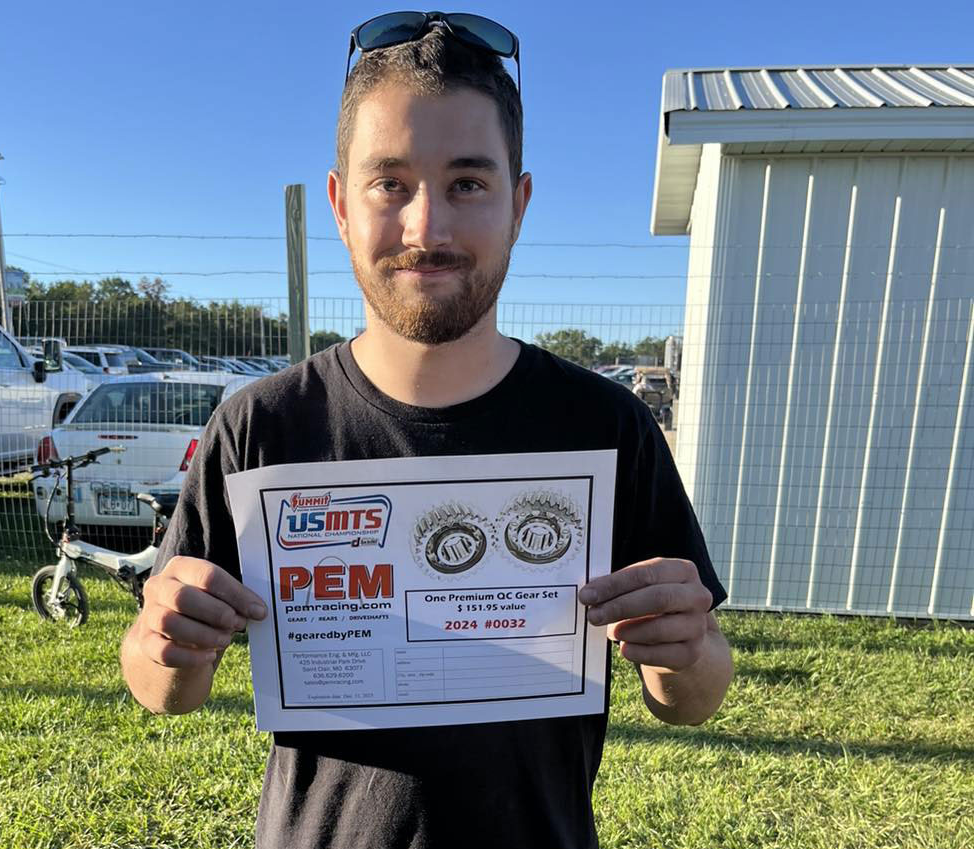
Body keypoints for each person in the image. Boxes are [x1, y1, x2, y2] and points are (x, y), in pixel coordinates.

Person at [121, 12, 733, 848]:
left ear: (518, 205)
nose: (428, 228)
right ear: (340, 204)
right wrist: (162, 639)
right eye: (391, 182)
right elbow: (165, 691)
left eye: (468, 184)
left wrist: (686, 649)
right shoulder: (260, 427)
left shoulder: (604, 425)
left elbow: (692, 699)